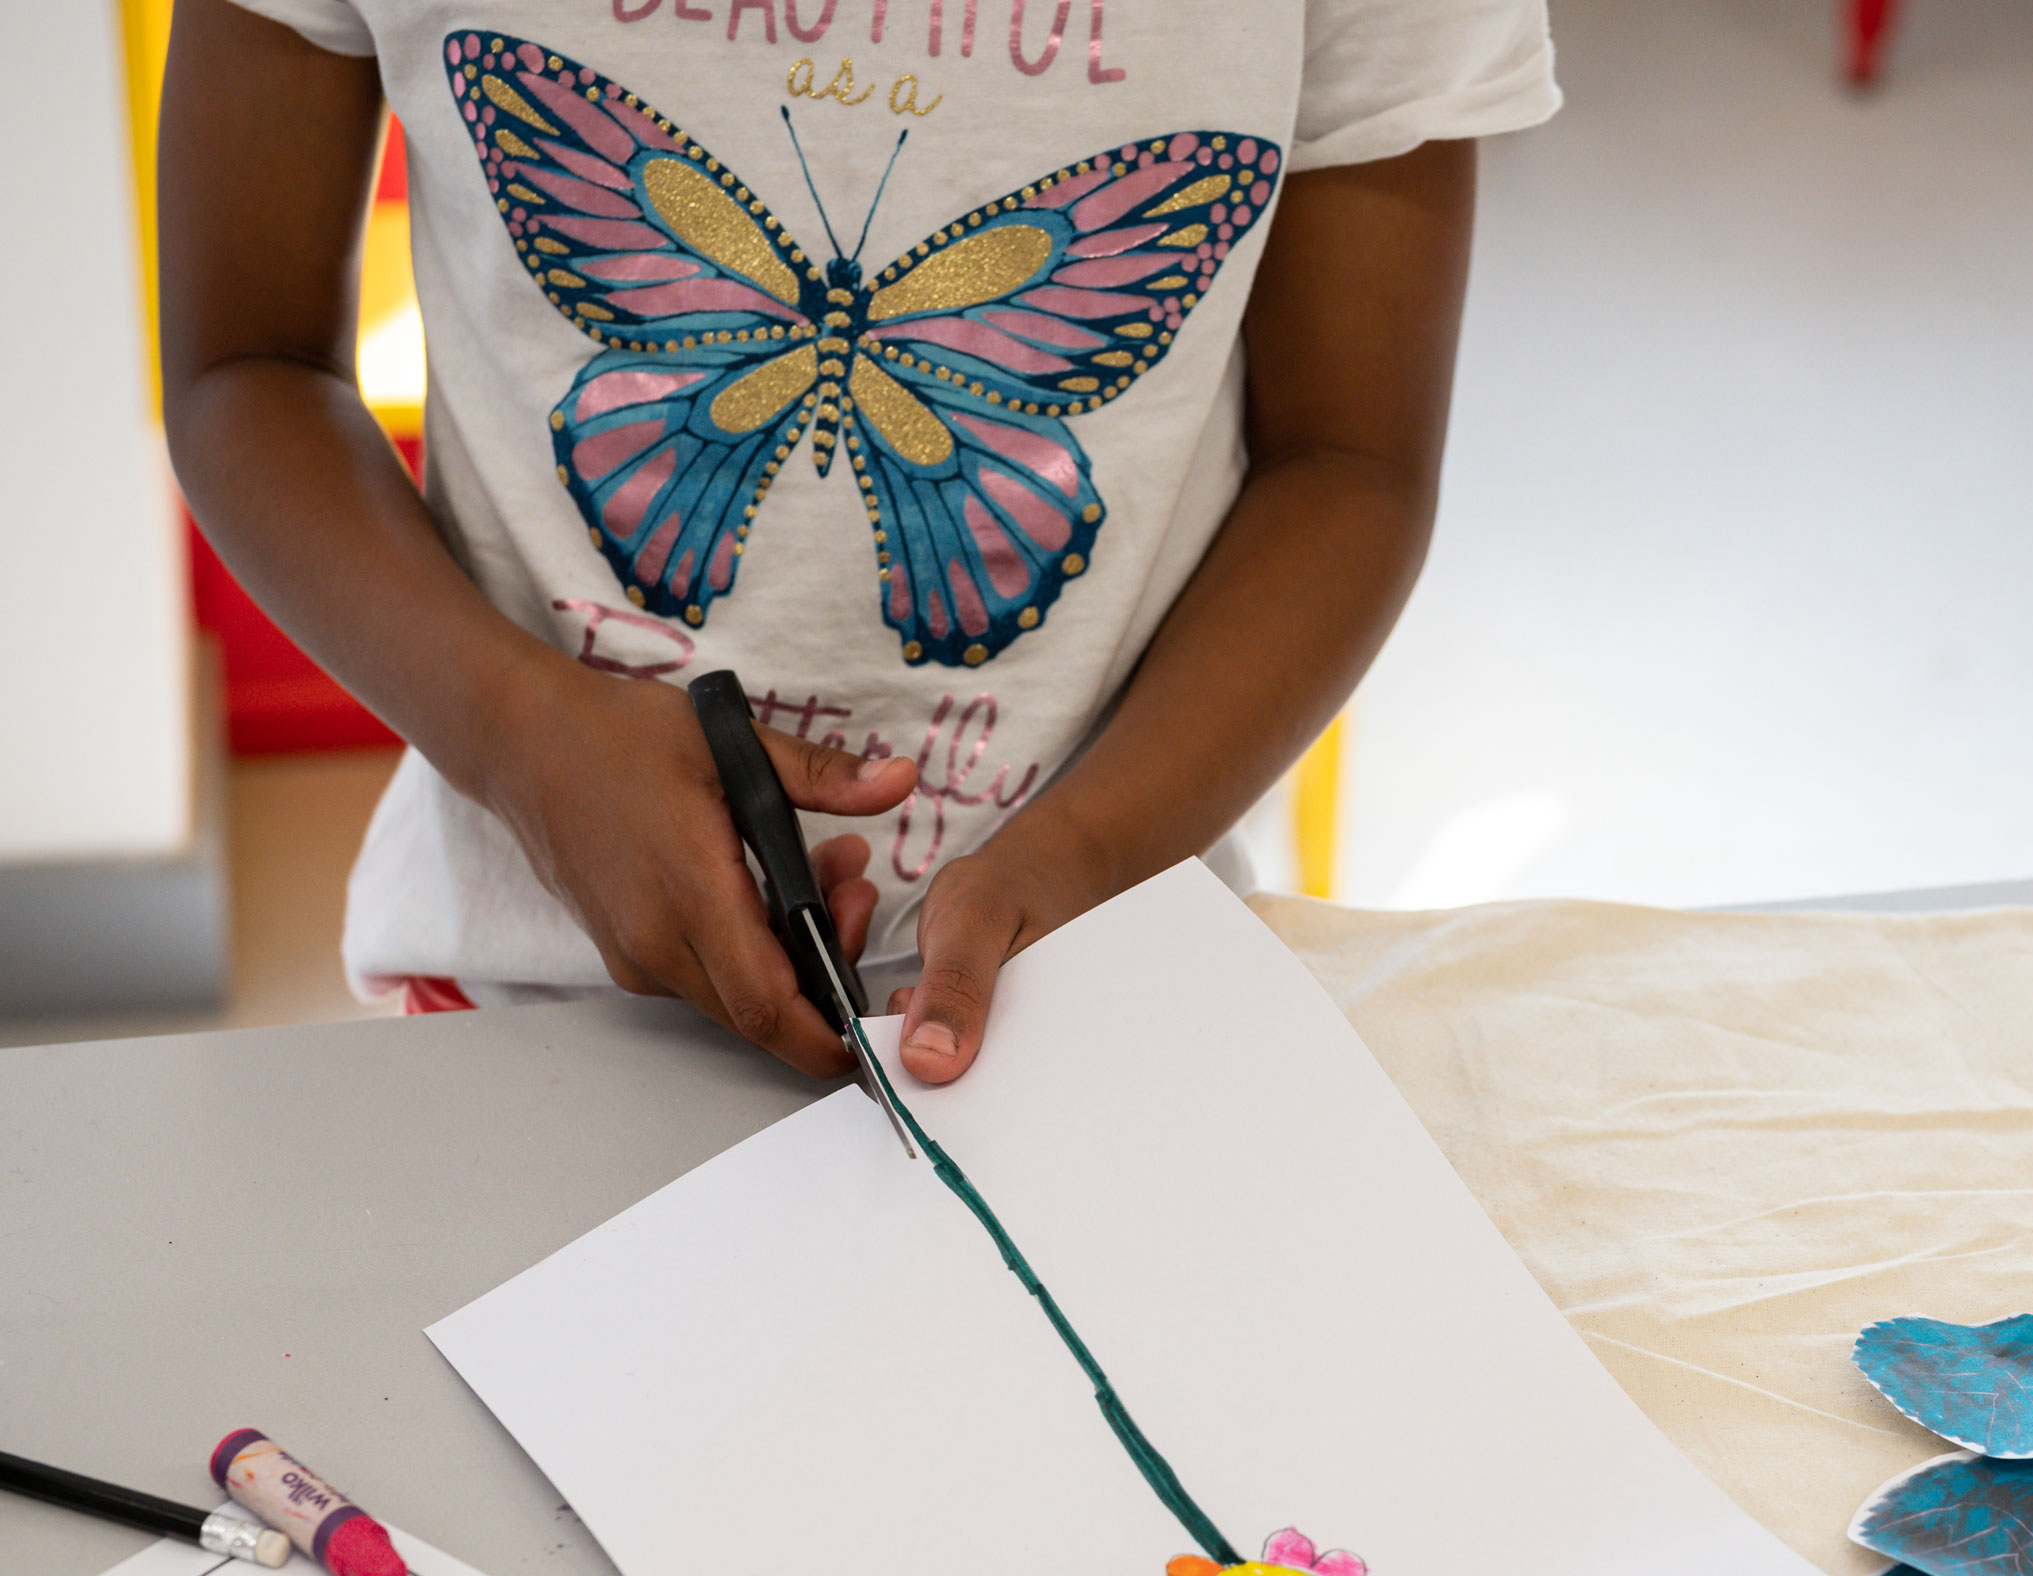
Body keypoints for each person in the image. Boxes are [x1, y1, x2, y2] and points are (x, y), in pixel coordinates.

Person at [159, 0, 1555, 1083]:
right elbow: (246, 369)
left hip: (1082, 988)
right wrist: (520, 740)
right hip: (515, 986)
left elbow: (1350, 462)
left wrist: (1092, 848)